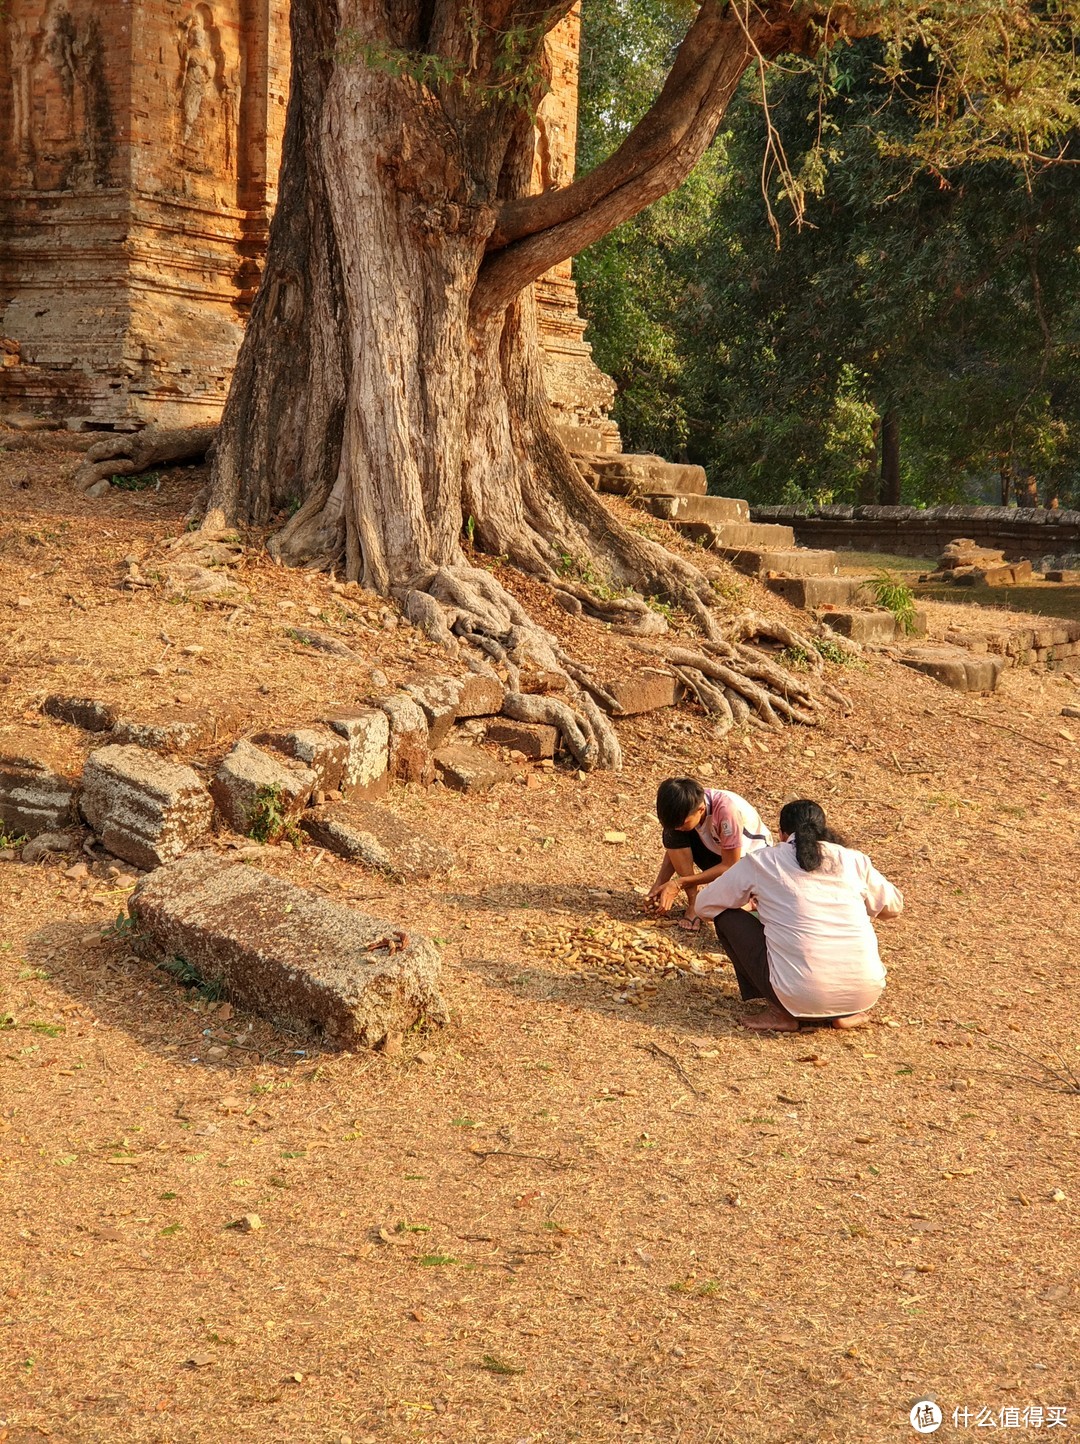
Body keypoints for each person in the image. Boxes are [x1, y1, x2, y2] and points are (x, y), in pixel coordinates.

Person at [694, 799, 903, 1031]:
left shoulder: (764, 860)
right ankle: (842, 1014)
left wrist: (760, 906)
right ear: (824, 829)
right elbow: (893, 907)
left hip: (798, 995)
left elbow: (704, 905)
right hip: (863, 993)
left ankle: (780, 1012)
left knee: (726, 917)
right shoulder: (854, 859)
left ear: (782, 834)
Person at [646, 777, 772, 930]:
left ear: (700, 810)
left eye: (683, 823)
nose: (679, 828)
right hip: (715, 848)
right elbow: (675, 848)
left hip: (746, 862)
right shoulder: (688, 805)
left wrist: (679, 883)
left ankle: (748, 902)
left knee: (719, 912)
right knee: (672, 833)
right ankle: (693, 903)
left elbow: (730, 865)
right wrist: (659, 885)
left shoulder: (726, 812)